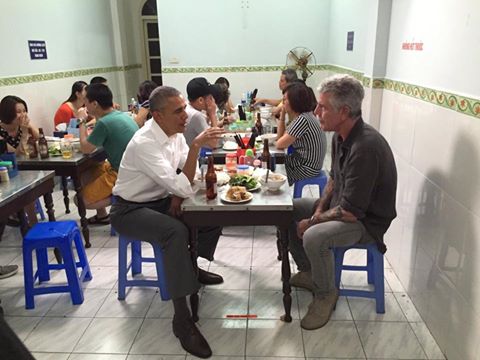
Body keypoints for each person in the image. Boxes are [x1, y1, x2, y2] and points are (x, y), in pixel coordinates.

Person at [110, 86, 225, 358]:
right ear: (158, 115)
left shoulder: (174, 135)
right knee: (174, 232)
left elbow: (189, 173)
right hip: (129, 210)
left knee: (212, 213)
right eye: (178, 111)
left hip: (160, 199)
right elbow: (182, 183)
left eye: (184, 108)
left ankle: (191, 268)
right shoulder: (144, 143)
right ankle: (182, 320)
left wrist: (177, 191)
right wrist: (195, 149)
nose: (185, 115)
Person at [288, 74, 397, 330]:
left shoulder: (366, 146)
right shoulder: (340, 134)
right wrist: (318, 208)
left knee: (315, 236)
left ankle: (326, 294)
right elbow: (334, 180)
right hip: (348, 207)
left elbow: (350, 211)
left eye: (323, 107)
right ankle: (310, 271)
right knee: (288, 210)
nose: (316, 112)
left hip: (366, 221)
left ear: (344, 111)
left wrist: (313, 221)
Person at [78, 84, 138, 225]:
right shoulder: (120, 115)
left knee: (79, 200)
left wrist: (81, 121)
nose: (84, 104)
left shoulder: (105, 123)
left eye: (86, 101)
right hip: (132, 169)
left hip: (122, 174)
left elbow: (85, 148)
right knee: (89, 170)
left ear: (94, 104)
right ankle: (102, 215)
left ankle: (120, 199)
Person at [275, 82, 326, 185]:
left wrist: (283, 115)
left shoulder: (303, 120)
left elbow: (279, 144)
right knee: (273, 161)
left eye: (285, 99)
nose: (283, 103)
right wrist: (283, 115)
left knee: (273, 168)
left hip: (307, 168)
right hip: (307, 163)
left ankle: (278, 198)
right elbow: (280, 138)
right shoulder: (303, 116)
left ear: (295, 101)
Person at [184, 77, 221, 147]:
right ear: (200, 100)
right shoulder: (196, 115)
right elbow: (214, 143)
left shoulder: (188, 108)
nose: (213, 100)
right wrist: (213, 114)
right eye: (210, 98)